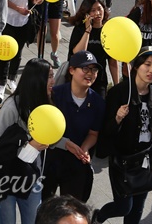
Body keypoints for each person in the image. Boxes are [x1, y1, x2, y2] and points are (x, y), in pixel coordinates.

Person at [92, 47, 152, 224]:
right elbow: (106, 130)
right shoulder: (119, 93)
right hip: (122, 161)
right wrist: (117, 118)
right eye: (146, 64)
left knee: (137, 208)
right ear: (136, 66)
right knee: (124, 206)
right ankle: (99, 216)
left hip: (145, 160)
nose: (151, 70)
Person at [0, 58, 53, 224]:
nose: (53, 81)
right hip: (6, 178)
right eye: (50, 76)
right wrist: (29, 147)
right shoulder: (11, 107)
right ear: (37, 80)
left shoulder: (47, 104)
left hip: (31, 178)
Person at [43, 51, 105, 203]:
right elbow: (44, 130)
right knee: (43, 206)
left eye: (94, 70)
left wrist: (84, 148)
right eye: (85, 69)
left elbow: (93, 133)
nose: (90, 74)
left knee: (71, 207)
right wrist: (64, 143)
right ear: (71, 70)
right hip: (50, 159)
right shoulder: (55, 95)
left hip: (76, 162)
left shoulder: (98, 102)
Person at [0, 0, 44, 97]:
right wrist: (17, 8)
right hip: (10, 21)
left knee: (18, 52)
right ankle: (1, 82)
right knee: (6, 53)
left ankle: (12, 78)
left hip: (25, 21)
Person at [67, 0, 119, 99]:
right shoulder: (80, 29)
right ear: (86, 13)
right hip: (79, 79)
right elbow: (78, 54)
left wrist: (116, 86)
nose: (97, 13)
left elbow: (113, 62)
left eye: (99, 9)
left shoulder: (108, 31)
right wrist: (88, 30)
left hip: (99, 80)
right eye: (92, 10)